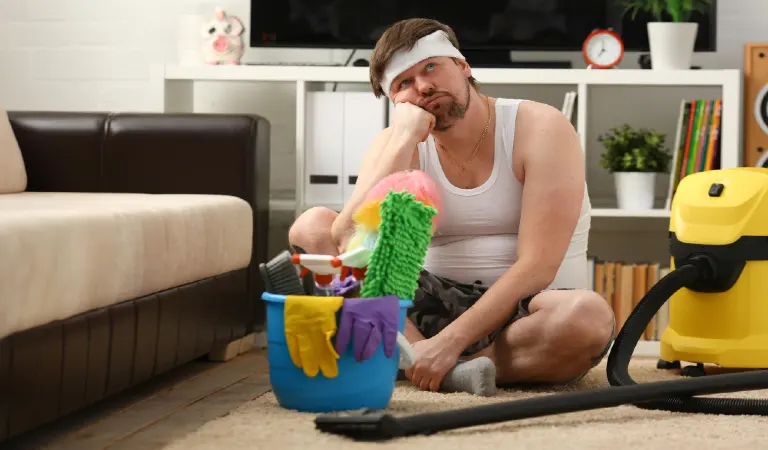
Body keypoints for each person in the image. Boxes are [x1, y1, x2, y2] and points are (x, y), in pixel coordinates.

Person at [288, 18, 615, 392]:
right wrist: (404, 137)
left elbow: (537, 267)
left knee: (587, 318)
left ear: (463, 66)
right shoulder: (397, 143)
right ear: (395, 103)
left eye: (430, 67)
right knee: (313, 226)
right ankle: (427, 361)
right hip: (426, 309)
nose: (423, 87)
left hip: (528, 312)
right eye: (403, 84)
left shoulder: (540, 126)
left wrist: (450, 342)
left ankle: (431, 363)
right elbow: (346, 239)